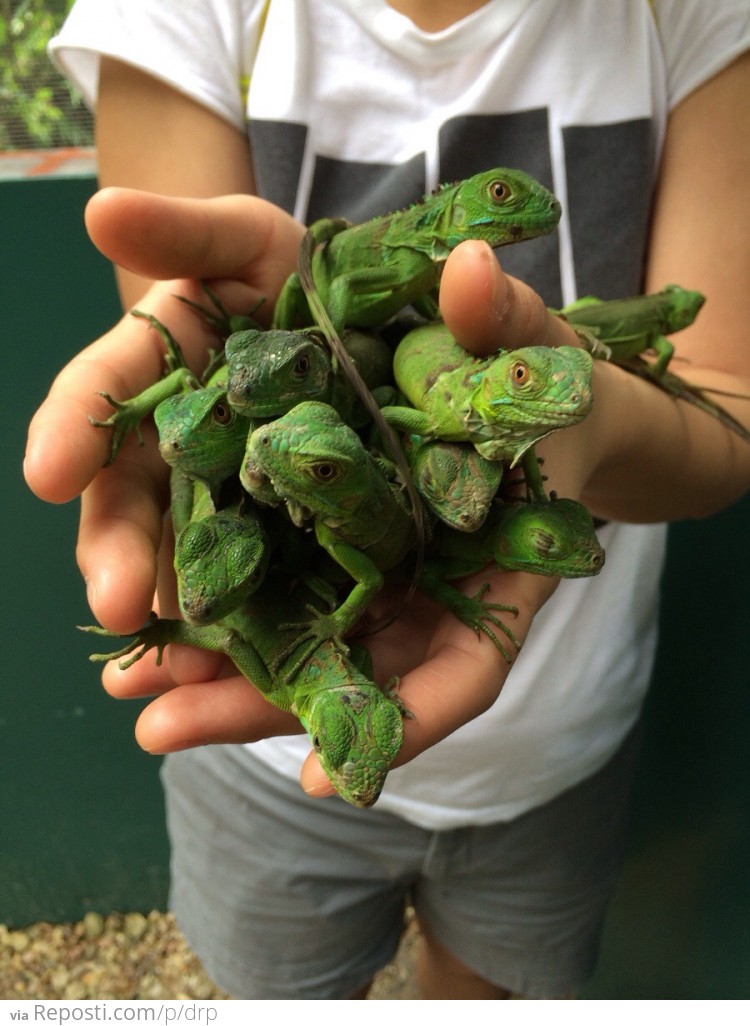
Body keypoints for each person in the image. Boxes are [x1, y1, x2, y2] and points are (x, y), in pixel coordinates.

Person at [25, 0, 750, 1000]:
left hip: (566, 736)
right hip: (267, 767)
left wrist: (577, 433)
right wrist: (202, 337)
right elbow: (212, 383)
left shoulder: (692, 20)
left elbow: (725, 412)